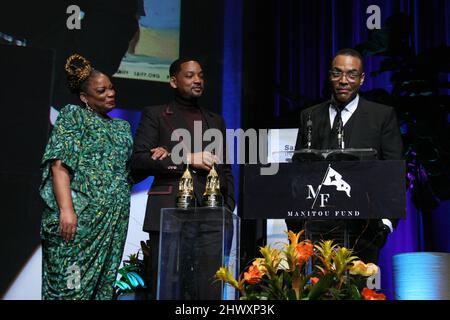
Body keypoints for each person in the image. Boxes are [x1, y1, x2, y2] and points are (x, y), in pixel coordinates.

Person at [131, 58, 235, 299]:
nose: (197, 80)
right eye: (189, 76)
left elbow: (225, 168)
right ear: (173, 81)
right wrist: (187, 158)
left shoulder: (215, 120)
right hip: (169, 212)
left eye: (200, 75)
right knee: (169, 287)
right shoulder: (156, 114)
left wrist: (227, 207)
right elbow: (139, 160)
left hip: (210, 215)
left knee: (210, 288)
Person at [288, 48, 403, 264]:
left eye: (351, 74)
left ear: (361, 79)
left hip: (365, 230)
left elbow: (394, 173)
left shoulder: (381, 116)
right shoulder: (310, 116)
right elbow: (299, 169)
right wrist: (298, 223)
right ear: (329, 76)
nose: (343, 80)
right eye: (337, 73)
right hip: (318, 227)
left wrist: (386, 223)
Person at [39, 54, 133, 299]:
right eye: (101, 91)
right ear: (85, 98)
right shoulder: (74, 115)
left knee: (102, 288)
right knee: (71, 288)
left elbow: (127, 170)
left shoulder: (122, 128)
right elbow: (59, 166)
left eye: (111, 88)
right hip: (80, 222)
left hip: (113, 222)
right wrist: (66, 210)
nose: (110, 93)